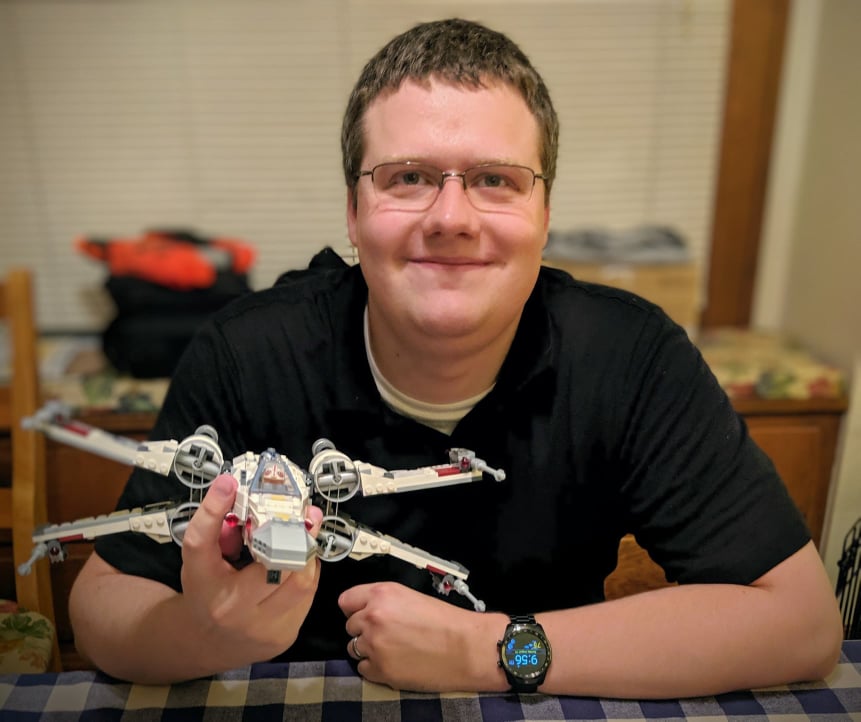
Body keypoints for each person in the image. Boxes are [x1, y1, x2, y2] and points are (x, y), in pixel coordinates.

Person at [68, 18, 842, 696]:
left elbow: (802, 624)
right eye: (407, 178)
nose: (450, 217)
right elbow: (104, 604)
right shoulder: (246, 352)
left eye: (494, 181)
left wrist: (489, 649)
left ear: (544, 213)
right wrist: (210, 634)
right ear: (353, 210)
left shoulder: (631, 356)